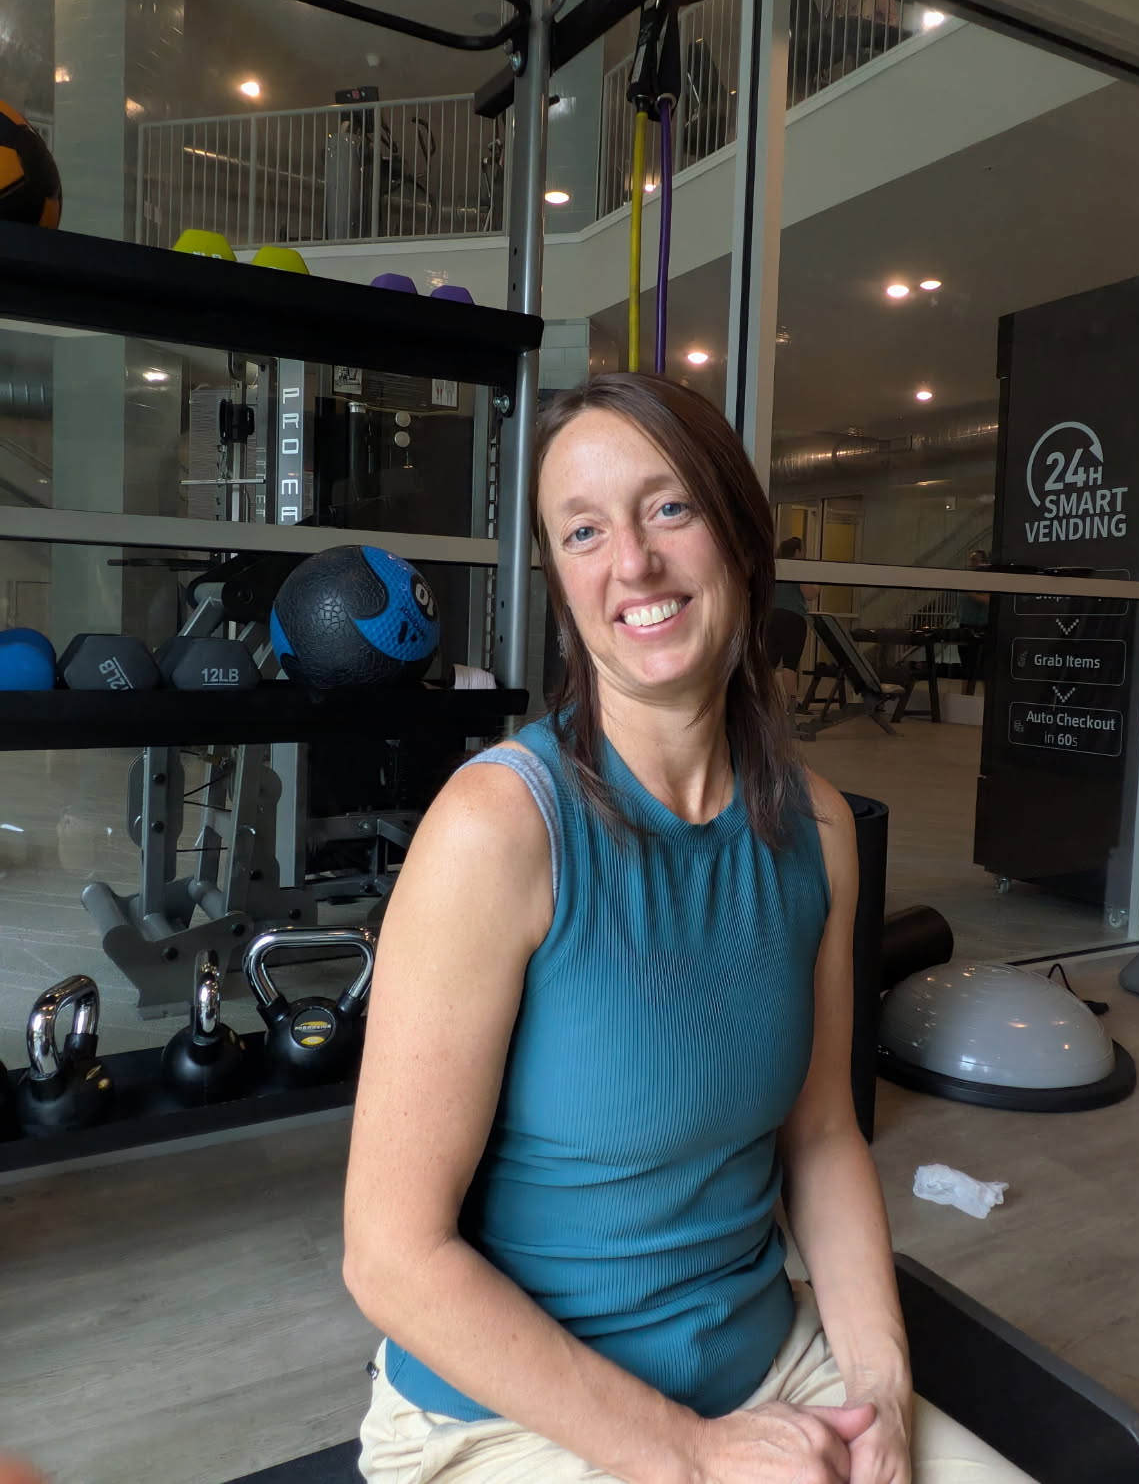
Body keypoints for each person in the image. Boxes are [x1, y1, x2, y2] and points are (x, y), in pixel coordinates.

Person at [344, 372, 1035, 1484]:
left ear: (742, 540)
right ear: (562, 586)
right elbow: (391, 1259)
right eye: (583, 531)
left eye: (668, 507)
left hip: (767, 1368)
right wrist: (695, 1456)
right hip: (505, 1421)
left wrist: (877, 1388)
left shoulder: (819, 830)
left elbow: (822, 1139)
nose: (632, 562)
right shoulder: (497, 829)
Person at [768, 536, 821, 711]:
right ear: (797, 551)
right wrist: (816, 583)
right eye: (803, 550)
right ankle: (792, 703)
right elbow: (810, 594)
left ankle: (766, 703)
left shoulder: (774, 567)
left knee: (769, 663)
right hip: (792, 619)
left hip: (771, 617)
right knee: (790, 664)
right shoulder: (797, 567)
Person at [956, 550, 992, 692]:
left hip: (979, 628)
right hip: (964, 626)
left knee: (980, 668)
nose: (971, 563)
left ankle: (988, 700)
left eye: (975, 560)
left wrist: (970, 592)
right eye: (970, 560)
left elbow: (987, 600)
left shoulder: (985, 580)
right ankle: (965, 697)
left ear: (983, 562)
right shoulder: (968, 579)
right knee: (966, 666)